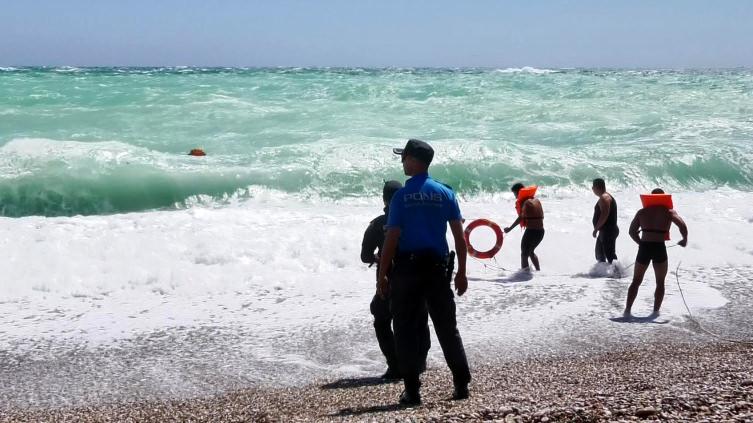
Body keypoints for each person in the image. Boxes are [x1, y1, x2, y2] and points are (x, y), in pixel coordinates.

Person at [377, 139, 471, 406]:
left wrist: (383, 276)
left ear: (412, 160)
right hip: (437, 269)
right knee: (446, 327)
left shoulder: (401, 197)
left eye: (403, 157)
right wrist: (462, 272)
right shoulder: (444, 193)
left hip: (407, 270)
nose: (401, 161)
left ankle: (412, 391)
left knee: (405, 329)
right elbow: (459, 237)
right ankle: (461, 383)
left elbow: (391, 239)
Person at [360, 180, 430, 381]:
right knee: (419, 318)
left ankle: (394, 364)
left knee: (382, 320)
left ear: (384, 199)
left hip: (389, 280)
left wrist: (378, 259)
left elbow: (365, 256)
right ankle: (420, 360)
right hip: (417, 277)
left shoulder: (377, 224)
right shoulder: (417, 221)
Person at [624, 188, 688, 318]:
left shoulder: (642, 212)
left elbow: (631, 231)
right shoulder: (669, 212)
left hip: (644, 248)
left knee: (636, 280)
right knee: (660, 282)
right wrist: (684, 239)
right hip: (659, 247)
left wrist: (641, 243)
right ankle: (655, 313)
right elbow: (682, 226)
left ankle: (627, 311)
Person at [504, 183, 545, 270]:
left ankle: (524, 275)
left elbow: (521, 217)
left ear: (519, 192)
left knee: (524, 254)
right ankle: (538, 271)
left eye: (515, 194)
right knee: (530, 252)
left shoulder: (524, 202)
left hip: (531, 232)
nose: (515, 197)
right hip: (541, 232)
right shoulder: (534, 200)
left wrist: (509, 229)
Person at [592, 178, 619, 264]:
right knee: (599, 255)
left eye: (593, 187)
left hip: (608, 231)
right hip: (605, 231)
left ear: (596, 187)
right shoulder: (603, 197)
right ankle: (603, 273)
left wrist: (596, 228)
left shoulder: (605, 197)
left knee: (610, 255)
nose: (592, 189)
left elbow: (605, 214)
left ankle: (618, 273)